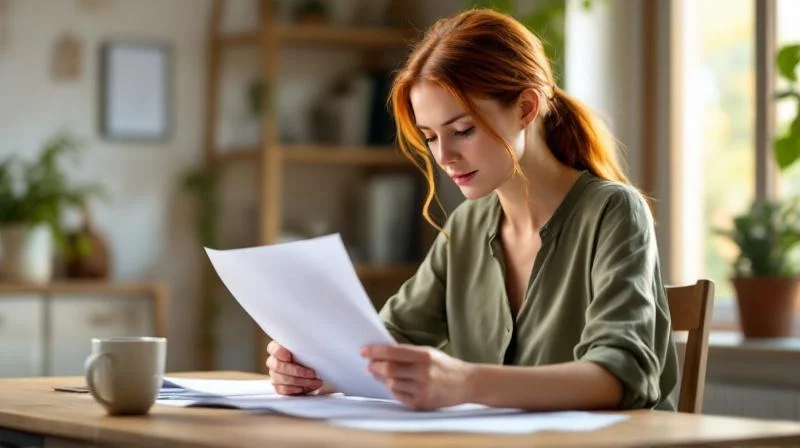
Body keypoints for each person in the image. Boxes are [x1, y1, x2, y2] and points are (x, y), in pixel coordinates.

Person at [265, 8, 679, 412]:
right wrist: (317, 369)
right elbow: (386, 344)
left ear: (526, 108)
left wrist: (465, 382)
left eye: (463, 130)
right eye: (430, 136)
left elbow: (621, 375)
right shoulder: (467, 226)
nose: (444, 156)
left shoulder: (612, 212)